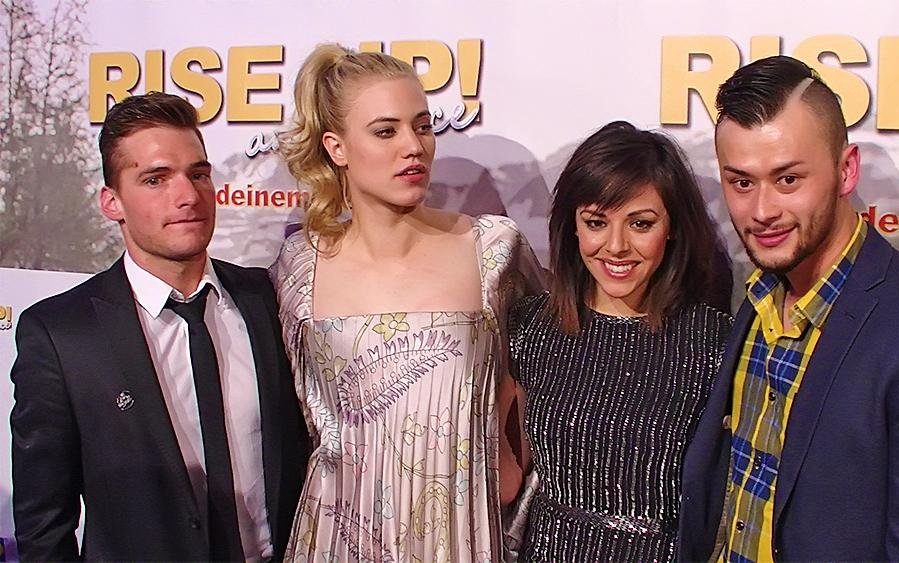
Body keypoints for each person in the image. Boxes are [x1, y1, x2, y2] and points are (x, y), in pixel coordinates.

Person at [677, 56, 899, 561]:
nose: (762, 211)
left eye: (788, 180)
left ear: (846, 170)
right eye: (741, 182)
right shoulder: (758, 295)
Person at [271, 44, 544, 561]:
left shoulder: (492, 248)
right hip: (336, 537)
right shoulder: (301, 266)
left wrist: (510, 459)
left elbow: (545, 367)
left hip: (459, 534)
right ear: (336, 148)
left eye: (422, 127)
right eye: (385, 131)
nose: (413, 147)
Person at [9, 92, 309, 561]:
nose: (187, 196)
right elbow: (44, 524)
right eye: (155, 179)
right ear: (112, 202)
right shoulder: (61, 335)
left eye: (198, 174)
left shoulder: (266, 298)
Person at [502, 121, 733, 561]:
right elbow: (507, 478)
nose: (616, 246)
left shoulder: (713, 343)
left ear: (673, 227)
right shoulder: (531, 327)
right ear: (573, 226)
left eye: (640, 224)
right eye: (596, 222)